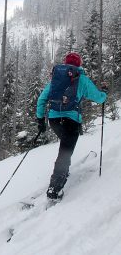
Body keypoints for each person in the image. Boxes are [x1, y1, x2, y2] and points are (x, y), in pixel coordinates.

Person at [36, 52, 107, 200]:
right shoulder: (81, 79)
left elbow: (42, 99)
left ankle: (62, 172)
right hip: (71, 121)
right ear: (79, 64)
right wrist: (104, 94)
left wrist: (40, 120)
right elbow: (99, 98)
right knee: (65, 151)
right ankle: (54, 189)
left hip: (54, 120)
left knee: (65, 147)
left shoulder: (56, 79)